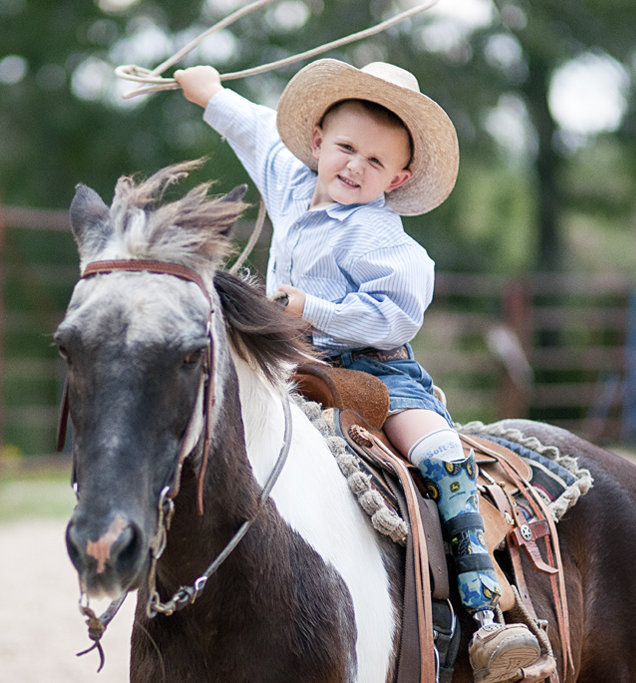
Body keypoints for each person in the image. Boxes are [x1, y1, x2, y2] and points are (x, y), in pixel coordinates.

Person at [174, 60, 541, 683]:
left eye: (375, 163)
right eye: (345, 148)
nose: (354, 167)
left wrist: (308, 307)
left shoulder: (380, 237)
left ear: (397, 178)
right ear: (317, 141)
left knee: (440, 455)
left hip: (376, 372)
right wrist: (208, 92)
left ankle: (484, 614)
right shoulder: (290, 179)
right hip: (289, 365)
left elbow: (395, 319)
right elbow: (256, 129)